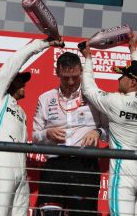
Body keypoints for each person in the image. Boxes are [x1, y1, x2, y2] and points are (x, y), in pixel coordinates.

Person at [79, 33, 137, 216]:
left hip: (125, 171)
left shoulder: (117, 102)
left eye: (123, 76)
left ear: (132, 82)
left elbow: (88, 89)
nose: (119, 79)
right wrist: (133, 49)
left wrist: (88, 58)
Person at [0, 37, 64, 216]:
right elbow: (13, 62)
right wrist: (43, 44)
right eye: (20, 79)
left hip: (20, 169)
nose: (24, 83)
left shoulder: (21, 112)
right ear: (9, 82)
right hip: (1, 162)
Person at [32, 51, 108, 215]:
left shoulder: (94, 96)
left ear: (81, 71)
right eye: (65, 77)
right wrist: (47, 134)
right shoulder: (45, 98)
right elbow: (34, 137)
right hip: (54, 164)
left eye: (75, 76)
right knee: (49, 213)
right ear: (57, 72)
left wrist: (97, 132)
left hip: (84, 165)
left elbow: (109, 130)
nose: (71, 82)